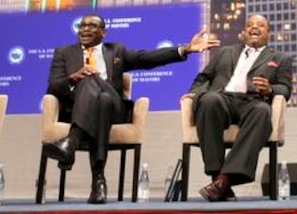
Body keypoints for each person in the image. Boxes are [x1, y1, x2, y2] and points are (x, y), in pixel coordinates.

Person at [44, 13, 218, 204]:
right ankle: (98, 181)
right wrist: (74, 77)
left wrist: (185, 49)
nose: (85, 29)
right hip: (81, 109)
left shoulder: (116, 50)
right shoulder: (64, 52)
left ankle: (71, 141)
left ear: (104, 32)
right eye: (82, 25)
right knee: (95, 92)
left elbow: (148, 58)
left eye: (92, 26)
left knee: (92, 80)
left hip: (115, 110)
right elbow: (54, 86)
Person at [187, 14, 293, 202]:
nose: (254, 27)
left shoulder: (280, 58)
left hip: (252, 101)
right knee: (209, 100)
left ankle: (223, 181)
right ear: (243, 32)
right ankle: (219, 179)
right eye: (250, 25)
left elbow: (285, 89)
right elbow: (203, 78)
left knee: (262, 111)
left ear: (268, 33)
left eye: (260, 25)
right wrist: (195, 94)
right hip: (222, 98)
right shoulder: (224, 52)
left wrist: (270, 89)